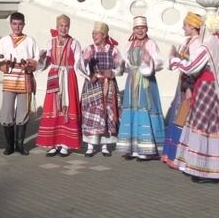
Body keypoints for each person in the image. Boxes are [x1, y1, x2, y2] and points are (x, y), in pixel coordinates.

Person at [169, 13, 219, 183]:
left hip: (206, 88)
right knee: (214, 127)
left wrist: (174, 60)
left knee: (202, 127)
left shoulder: (209, 44)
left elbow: (192, 66)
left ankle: (202, 169)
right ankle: (215, 169)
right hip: (214, 89)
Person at [117, 16, 165, 161]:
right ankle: (132, 148)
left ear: (146, 29)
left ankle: (147, 148)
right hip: (131, 81)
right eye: (137, 28)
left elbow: (160, 62)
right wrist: (119, 63)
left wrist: (148, 60)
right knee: (132, 110)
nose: (140, 31)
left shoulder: (150, 44)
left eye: (142, 28)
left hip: (146, 82)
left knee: (145, 109)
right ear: (133, 29)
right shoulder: (129, 44)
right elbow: (125, 64)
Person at [0, 12, 42, 156]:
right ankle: (9, 145)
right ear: (10, 24)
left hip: (24, 79)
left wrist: (30, 63)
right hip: (9, 79)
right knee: (7, 112)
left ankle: (20, 144)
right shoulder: (3, 40)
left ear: (24, 24)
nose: (17, 27)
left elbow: (37, 59)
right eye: (14, 24)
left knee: (23, 113)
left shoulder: (30, 40)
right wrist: (5, 62)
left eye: (20, 24)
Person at [36, 14, 82, 157]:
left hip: (68, 77)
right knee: (54, 108)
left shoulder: (74, 43)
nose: (63, 28)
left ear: (69, 27)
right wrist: (42, 58)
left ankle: (65, 144)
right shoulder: (51, 42)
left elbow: (79, 62)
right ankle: (53, 143)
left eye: (66, 26)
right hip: (55, 76)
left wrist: (87, 72)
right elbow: (46, 62)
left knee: (67, 107)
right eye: (61, 25)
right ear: (57, 27)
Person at [75, 21, 123, 157]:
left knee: (108, 113)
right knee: (92, 113)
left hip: (108, 85)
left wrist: (112, 72)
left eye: (96, 33)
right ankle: (90, 145)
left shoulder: (113, 50)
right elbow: (79, 66)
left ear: (104, 35)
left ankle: (105, 145)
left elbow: (121, 66)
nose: (94, 36)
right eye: (93, 33)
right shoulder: (89, 49)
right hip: (93, 85)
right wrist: (87, 68)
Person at [162, 12, 203, 169]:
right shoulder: (188, 41)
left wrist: (189, 88)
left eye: (185, 25)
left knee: (184, 118)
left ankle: (179, 156)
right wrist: (176, 55)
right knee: (177, 116)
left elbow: (194, 68)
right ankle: (170, 153)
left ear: (193, 27)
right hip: (182, 84)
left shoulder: (197, 44)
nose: (183, 27)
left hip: (188, 86)